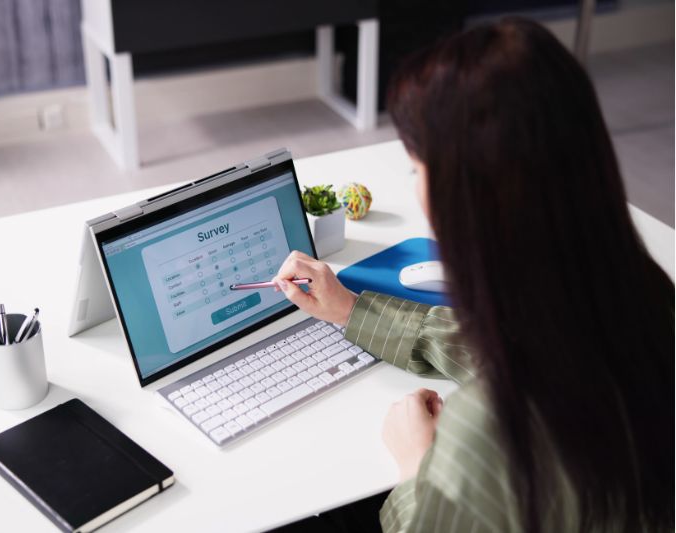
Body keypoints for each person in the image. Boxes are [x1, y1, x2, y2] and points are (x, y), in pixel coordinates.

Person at [270, 16, 674, 533]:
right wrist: (351, 309)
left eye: (416, 169)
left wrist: (417, 467)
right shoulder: (647, 303)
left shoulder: (485, 438)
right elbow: (499, 345)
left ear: (462, 199)